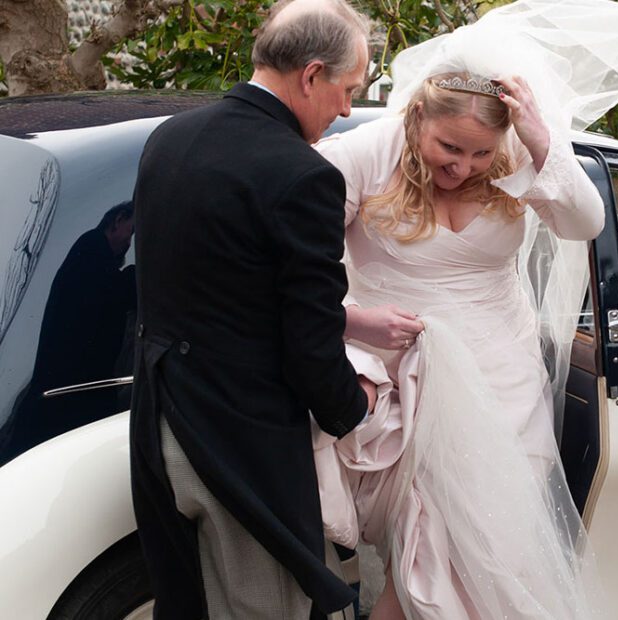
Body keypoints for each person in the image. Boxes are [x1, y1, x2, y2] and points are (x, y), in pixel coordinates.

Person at [310, 1, 618, 617]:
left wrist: (541, 140)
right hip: (408, 384)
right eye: (448, 147)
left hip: (504, 379)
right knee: (422, 557)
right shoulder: (362, 156)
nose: (463, 168)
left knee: (500, 552)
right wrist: (351, 322)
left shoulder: (517, 155)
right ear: (416, 115)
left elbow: (586, 222)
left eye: (481, 155)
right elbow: (302, 270)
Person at [129, 1, 377, 618]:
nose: (346, 109)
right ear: (312, 75)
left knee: (187, 604)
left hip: (160, 418)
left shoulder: (169, 137)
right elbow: (310, 337)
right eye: (346, 90)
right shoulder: (301, 174)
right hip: (241, 438)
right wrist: (356, 405)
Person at [0, 202, 136, 464]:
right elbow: (110, 295)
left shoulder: (87, 251)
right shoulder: (91, 249)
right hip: (67, 394)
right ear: (118, 219)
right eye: (130, 232)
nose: (129, 244)